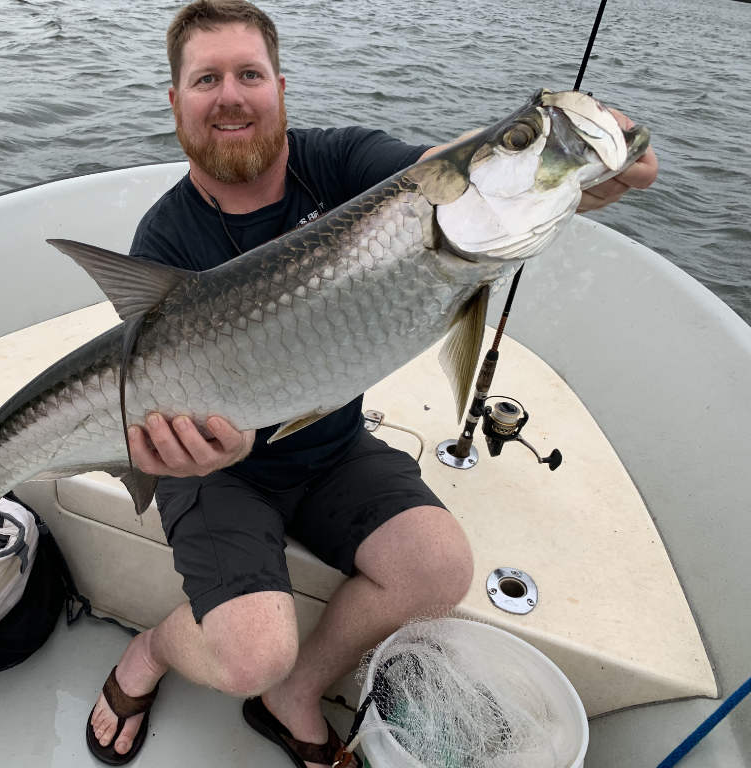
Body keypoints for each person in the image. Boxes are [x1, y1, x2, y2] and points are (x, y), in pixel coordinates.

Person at [86, 2, 659, 766]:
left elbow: (444, 173)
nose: (230, 95)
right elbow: (152, 414)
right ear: (176, 101)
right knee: (252, 652)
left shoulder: (344, 164)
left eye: (249, 74)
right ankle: (153, 651)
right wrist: (165, 455)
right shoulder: (165, 238)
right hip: (219, 469)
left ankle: (295, 698)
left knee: (438, 569)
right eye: (207, 79)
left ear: (280, 87)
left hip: (328, 445)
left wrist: (565, 155)